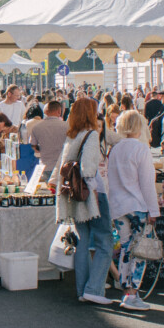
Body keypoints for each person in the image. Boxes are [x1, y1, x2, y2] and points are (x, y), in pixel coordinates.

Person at [104, 110, 159, 310]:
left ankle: (126, 289)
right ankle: (132, 293)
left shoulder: (115, 149)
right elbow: (147, 183)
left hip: (118, 206)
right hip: (137, 206)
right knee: (139, 251)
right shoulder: (141, 149)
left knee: (126, 248)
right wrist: (154, 210)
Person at [58, 98, 110, 305]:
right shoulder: (92, 135)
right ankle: (95, 289)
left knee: (83, 242)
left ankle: (83, 290)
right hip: (92, 194)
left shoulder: (72, 135)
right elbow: (88, 169)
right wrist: (96, 192)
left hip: (75, 196)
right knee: (104, 241)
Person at [27, 100, 67, 182]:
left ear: (45, 112)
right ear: (59, 111)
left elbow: (32, 146)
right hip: (62, 167)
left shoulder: (37, 127)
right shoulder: (67, 126)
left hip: (45, 166)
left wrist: (42, 150)